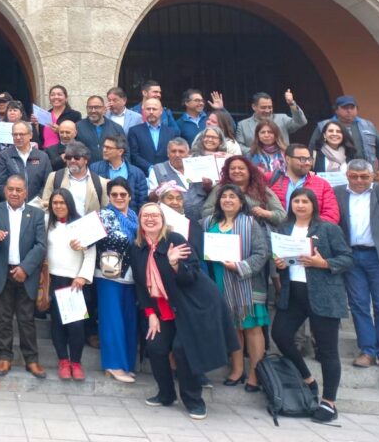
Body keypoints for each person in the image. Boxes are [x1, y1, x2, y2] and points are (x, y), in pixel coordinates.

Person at [131, 202, 238, 421]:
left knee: (182, 349)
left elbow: (191, 277)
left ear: (162, 219)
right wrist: (150, 314)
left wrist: (175, 264)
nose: (150, 219)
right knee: (156, 346)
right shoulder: (137, 247)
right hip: (164, 309)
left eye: (154, 215)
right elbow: (141, 285)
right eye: (145, 216)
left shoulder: (175, 240)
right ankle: (166, 394)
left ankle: (194, 401)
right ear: (140, 220)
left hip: (193, 305)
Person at [271, 188, 354, 424]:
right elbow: (280, 262)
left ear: (313, 205)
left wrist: (323, 262)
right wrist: (279, 264)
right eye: (295, 201)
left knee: (327, 350)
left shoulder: (328, 229)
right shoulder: (284, 229)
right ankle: (308, 379)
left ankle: (329, 402)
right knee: (280, 334)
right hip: (293, 294)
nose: (300, 205)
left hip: (324, 295)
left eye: (305, 201)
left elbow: (348, 258)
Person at [333, 159, 379, 374]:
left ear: (372, 176)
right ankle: (367, 351)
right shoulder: (338, 194)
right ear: (347, 176)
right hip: (351, 258)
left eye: (364, 176)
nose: (359, 180)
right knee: (359, 306)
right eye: (354, 176)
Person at [203, 184, 271, 390]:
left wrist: (240, 266)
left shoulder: (250, 224)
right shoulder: (209, 222)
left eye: (233, 196)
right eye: (224, 197)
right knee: (233, 329)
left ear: (241, 202)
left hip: (247, 284)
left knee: (251, 328)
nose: (228, 200)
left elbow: (262, 253)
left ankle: (255, 374)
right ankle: (237, 369)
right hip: (219, 282)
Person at [0, 174, 48, 378]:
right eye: (11, 189)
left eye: (19, 190)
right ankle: (4, 357)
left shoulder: (36, 214)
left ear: (26, 192)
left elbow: (41, 245)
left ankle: (32, 360)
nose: (14, 193)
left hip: (26, 274)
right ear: (5, 190)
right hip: (3, 272)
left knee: (26, 319)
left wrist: (25, 268)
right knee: (2, 318)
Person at [81, 177, 138, 383]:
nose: (119, 198)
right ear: (109, 196)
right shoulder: (101, 216)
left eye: (123, 194)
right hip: (108, 276)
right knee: (112, 321)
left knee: (128, 321)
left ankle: (126, 364)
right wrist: (77, 242)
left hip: (132, 277)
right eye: (114, 194)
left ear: (130, 196)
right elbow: (82, 239)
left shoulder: (134, 217)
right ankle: (113, 365)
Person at [45, 188, 95, 380]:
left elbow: (90, 254)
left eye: (62, 203)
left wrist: (82, 276)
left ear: (69, 204)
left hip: (74, 281)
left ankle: (76, 361)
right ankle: (63, 361)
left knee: (75, 325)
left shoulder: (82, 224)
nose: (58, 206)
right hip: (53, 279)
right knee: (57, 323)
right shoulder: (46, 222)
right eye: (55, 203)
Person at [310, 95, 379, 181]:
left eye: (352, 108)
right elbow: (312, 148)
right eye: (345, 108)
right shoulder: (324, 126)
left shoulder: (367, 125)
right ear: (336, 110)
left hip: (365, 173)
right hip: (335, 175)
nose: (349, 111)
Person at [202, 155, 287, 228]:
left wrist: (265, 213)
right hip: (224, 231)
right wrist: (223, 207)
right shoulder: (219, 188)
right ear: (228, 172)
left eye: (241, 168)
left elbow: (283, 216)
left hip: (256, 233)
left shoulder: (262, 190)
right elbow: (205, 212)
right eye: (232, 168)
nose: (236, 171)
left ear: (249, 171)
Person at [269, 144, 340, 224]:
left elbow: (332, 215)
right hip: (277, 233)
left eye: (309, 159)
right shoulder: (270, 179)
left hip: (310, 234)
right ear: (288, 159)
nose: (307, 163)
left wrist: (307, 227)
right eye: (302, 159)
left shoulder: (322, 184)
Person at [148, 138, 209, 221]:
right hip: (172, 221)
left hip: (201, 219)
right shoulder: (158, 169)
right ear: (168, 153)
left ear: (188, 153)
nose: (177, 155)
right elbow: (151, 199)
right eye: (173, 151)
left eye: (181, 151)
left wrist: (208, 185)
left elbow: (210, 193)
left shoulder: (197, 166)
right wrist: (159, 190)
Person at [41, 141, 107, 215]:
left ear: (86, 160)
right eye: (68, 157)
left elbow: (105, 211)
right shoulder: (54, 177)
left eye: (77, 157)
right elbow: (45, 205)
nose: (72, 160)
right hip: (61, 224)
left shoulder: (100, 182)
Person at [0, 120, 50, 203]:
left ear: (30, 135)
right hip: (11, 205)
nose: (18, 137)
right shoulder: (4, 156)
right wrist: (15, 200)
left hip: (37, 206)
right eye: (15, 134)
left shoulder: (42, 156)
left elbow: (48, 184)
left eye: (21, 134)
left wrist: (36, 201)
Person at [90, 135, 147, 213]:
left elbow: (142, 200)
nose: (104, 150)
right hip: (104, 216)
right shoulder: (95, 169)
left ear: (120, 151)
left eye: (108, 148)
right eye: (104, 147)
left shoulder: (137, 173)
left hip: (130, 218)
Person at [235, 90, 307, 148]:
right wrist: (256, 153)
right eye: (263, 107)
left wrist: (292, 103)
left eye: (270, 107)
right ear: (254, 107)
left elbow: (301, 122)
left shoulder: (282, 119)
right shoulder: (242, 125)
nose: (267, 110)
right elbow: (239, 146)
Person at [128, 98, 179, 174]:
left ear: (161, 111)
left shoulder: (171, 132)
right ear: (144, 111)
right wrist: (150, 168)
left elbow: (174, 154)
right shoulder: (134, 131)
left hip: (167, 174)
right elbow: (134, 155)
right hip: (143, 174)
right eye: (148, 109)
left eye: (154, 109)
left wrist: (162, 169)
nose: (151, 112)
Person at [73, 96, 122, 163]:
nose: (93, 111)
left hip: (110, 170)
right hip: (86, 171)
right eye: (90, 107)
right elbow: (71, 149)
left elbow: (125, 151)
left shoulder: (116, 128)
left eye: (97, 107)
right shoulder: (77, 127)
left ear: (104, 109)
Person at [41, 85, 83, 150]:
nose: (56, 97)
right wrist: (35, 125)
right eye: (52, 95)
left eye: (59, 94)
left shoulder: (74, 115)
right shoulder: (45, 114)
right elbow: (40, 137)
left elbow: (79, 136)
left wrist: (60, 131)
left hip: (66, 152)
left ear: (66, 98)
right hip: (46, 153)